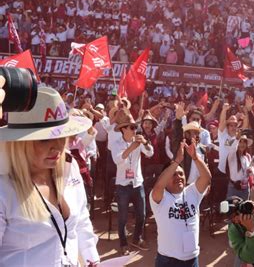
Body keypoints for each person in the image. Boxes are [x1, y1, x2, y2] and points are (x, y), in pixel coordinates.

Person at [0, 87, 99, 266]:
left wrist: (92, 259)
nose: (58, 146)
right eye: (44, 139)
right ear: (19, 143)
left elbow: (82, 219)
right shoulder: (3, 187)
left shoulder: (70, 166)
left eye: (62, 135)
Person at [150, 140, 211, 267]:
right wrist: (177, 161)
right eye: (174, 174)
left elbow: (206, 178)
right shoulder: (160, 197)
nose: (179, 177)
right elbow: (158, 186)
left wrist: (195, 158)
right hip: (168, 261)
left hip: (192, 260)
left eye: (181, 173)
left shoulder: (192, 192)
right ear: (166, 178)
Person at [111, 112, 154, 255]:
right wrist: (132, 147)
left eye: (135, 127)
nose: (134, 130)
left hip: (137, 183)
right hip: (123, 185)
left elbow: (150, 153)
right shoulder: (116, 143)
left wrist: (146, 143)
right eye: (131, 127)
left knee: (141, 215)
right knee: (123, 217)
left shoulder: (138, 140)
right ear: (123, 129)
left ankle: (137, 239)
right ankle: (123, 243)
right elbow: (118, 160)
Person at [226, 135, 254, 200]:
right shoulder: (232, 155)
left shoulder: (248, 156)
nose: (242, 144)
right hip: (233, 187)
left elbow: (251, 169)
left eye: (244, 142)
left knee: (244, 208)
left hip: (245, 187)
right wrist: (236, 139)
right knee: (231, 208)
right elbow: (232, 148)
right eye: (240, 142)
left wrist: (250, 171)